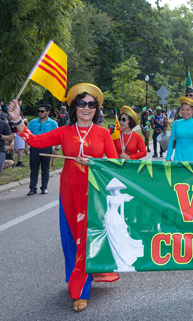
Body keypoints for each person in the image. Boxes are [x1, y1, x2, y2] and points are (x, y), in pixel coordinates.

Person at [8, 83, 119, 311]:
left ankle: (91, 275)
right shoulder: (64, 131)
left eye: (91, 104)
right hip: (69, 193)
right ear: (74, 107)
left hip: (95, 194)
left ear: (96, 109)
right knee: (72, 241)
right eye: (82, 103)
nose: (86, 108)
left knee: (90, 239)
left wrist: (95, 163)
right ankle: (79, 290)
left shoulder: (102, 133)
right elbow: (36, 141)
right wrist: (18, 121)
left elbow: (116, 164)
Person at [26, 103, 59, 195]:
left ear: (48, 112)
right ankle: (32, 188)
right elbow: (28, 136)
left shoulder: (53, 123)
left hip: (46, 148)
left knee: (45, 169)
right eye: (38, 111)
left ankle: (44, 187)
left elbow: (57, 137)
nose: (39, 113)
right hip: (34, 149)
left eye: (42, 111)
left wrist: (56, 149)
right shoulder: (32, 122)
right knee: (34, 169)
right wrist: (26, 148)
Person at [166, 97, 193, 162]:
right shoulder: (176, 123)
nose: (185, 112)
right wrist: (168, 157)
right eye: (183, 110)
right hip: (179, 156)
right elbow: (171, 141)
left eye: (187, 110)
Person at [8, 99, 27, 167]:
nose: (19, 104)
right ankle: (18, 162)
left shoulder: (10, 111)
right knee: (20, 147)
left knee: (13, 147)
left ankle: (12, 162)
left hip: (12, 131)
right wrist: (24, 120)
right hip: (17, 131)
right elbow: (16, 121)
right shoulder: (13, 111)